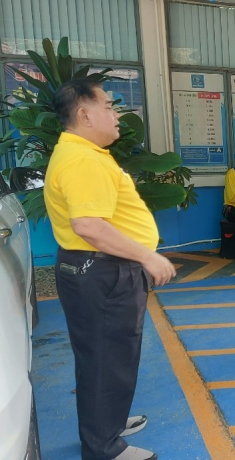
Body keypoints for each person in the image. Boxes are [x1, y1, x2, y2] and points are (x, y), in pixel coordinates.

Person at [45, 78, 176, 460]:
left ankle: (107, 424)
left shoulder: (80, 152)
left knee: (104, 356)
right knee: (108, 358)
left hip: (96, 270)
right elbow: (89, 225)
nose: (117, 114)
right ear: (84, 115)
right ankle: (103, 446)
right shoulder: (83, 160)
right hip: (104, 272)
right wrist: (149, 257)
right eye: (108, 106)